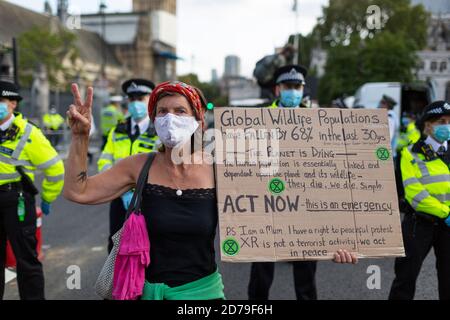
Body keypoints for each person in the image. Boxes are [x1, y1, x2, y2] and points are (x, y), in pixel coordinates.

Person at [63, 81, 358, 300]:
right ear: (154, 120)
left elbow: (275, 217)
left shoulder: (222, 168)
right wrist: (79, 138)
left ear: (199, 119)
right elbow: (78, 192)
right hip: (142, 292)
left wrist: (327, 242)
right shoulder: (136, 166)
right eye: (162, 112)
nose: (170, 118)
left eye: (180, 111)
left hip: (202, 295)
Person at [248, 65, 318, 301]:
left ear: (302, 90)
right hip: (267, 203)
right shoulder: (258, 118)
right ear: (278, 89)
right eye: (288, 87)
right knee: (261, 272)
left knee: (306, 273)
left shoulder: (318, 121)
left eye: (297, 87)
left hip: (304, 206)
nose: (293, 92)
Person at [0, 80, 65, 300]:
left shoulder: (29, 133)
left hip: (16, 200)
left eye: (2, 101)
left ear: (13, 104)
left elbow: (55, 169)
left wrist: (48, 196)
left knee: (26, 260)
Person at [389, 101, 450, 300]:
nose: (447, 125)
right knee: (405, 280)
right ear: (428, 125)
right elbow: (416, 195)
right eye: (442, 121)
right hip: (419, 224)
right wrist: (446, 212)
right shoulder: (410, 153)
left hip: (448, 228)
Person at [97, 78, 159, 253]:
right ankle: (116, 280)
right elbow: (104, 160)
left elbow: (163, 165)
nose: (136, 103)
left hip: (149, 198)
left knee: (149, 245)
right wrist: (120, 186)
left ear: (151, 100)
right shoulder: (118, 130)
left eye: (141, 98)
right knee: (116, 243)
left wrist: (139, 189)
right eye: (132, 99)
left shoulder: (159, 130)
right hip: (119, 197)